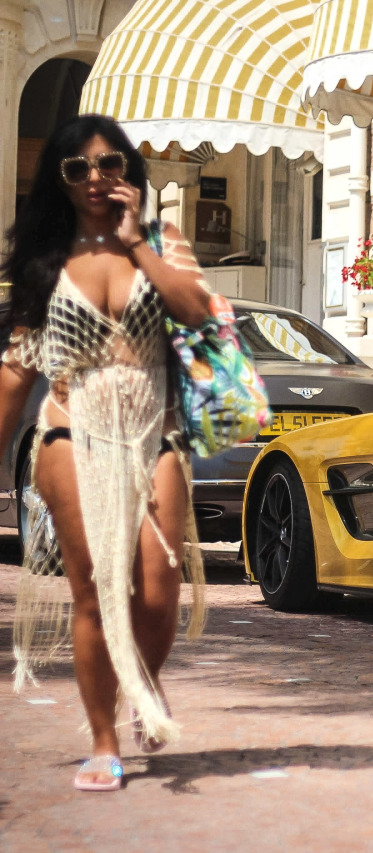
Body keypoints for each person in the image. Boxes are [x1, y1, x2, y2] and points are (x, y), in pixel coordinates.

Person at [0, 114, 212, 792]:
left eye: (110, 164)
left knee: (158, 589)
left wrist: (136, 243)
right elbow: (15, 376)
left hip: (155, 431)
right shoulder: (44, 264)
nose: (96, 177)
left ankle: (145, 684)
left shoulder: (162, 242)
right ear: (59, 181)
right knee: (94, 589)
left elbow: (199, 312)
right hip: (71, 427)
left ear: (130, 172)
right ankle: (102, 737)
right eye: (78, 168)